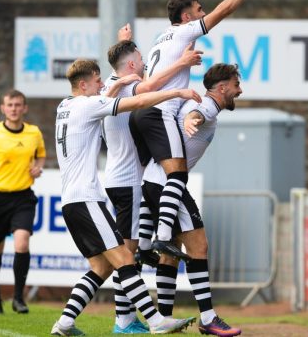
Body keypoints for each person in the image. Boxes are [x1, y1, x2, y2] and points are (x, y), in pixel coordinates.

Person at [50, 59, 201, 336]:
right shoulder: (87, 105)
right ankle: (156, 321)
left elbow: (99, 102)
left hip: (72, 201)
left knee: (100, 267)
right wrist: (177, 92)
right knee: (125, 259)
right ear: (83, 85)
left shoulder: (66, 106)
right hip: (87, 200)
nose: (101, 86)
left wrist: (118, 83)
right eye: (97, 82)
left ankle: (64, 324)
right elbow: (137, 103)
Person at [129, 0, 268, 258]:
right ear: (186, 17)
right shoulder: (185, 31)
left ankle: (143, 245)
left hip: (141, 111)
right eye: (198, 10)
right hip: (159, 111)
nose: (203, 13)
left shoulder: (160, 38)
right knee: (177, 175)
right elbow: (224, 9)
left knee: (153, 176)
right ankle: (162, 236)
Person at [103, 39, 201, 333]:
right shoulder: (125, 85)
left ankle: (128, 316)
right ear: (131, 64)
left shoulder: (113, 83)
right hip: (128, 182)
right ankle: (124, 320)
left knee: (129, 254)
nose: (146, 64)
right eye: (141, 59)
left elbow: (143, 82)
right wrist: (181, 72)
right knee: (125, 256)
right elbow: (148, 91)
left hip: (121, 180)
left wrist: (123, 40)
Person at [137, 63, 243, 336]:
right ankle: (208, 318)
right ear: (222, 88)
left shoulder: (206, 107)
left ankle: (164, 318)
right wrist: (190, 119)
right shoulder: (206, 106)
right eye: (235, 85)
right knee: (199, 246)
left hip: (152, 180)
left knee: (170, 253)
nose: (239, 90)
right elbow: (196, 114)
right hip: (168, 182)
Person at [0, 89, 46, 314]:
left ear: (25, 108)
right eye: (10, 105)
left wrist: (38, 167)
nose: (14, 109)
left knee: (22, 243)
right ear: (3, 108)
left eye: (18, 105)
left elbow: (41, 154)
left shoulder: (34, 133)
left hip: (23, 197)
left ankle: (18, 299)